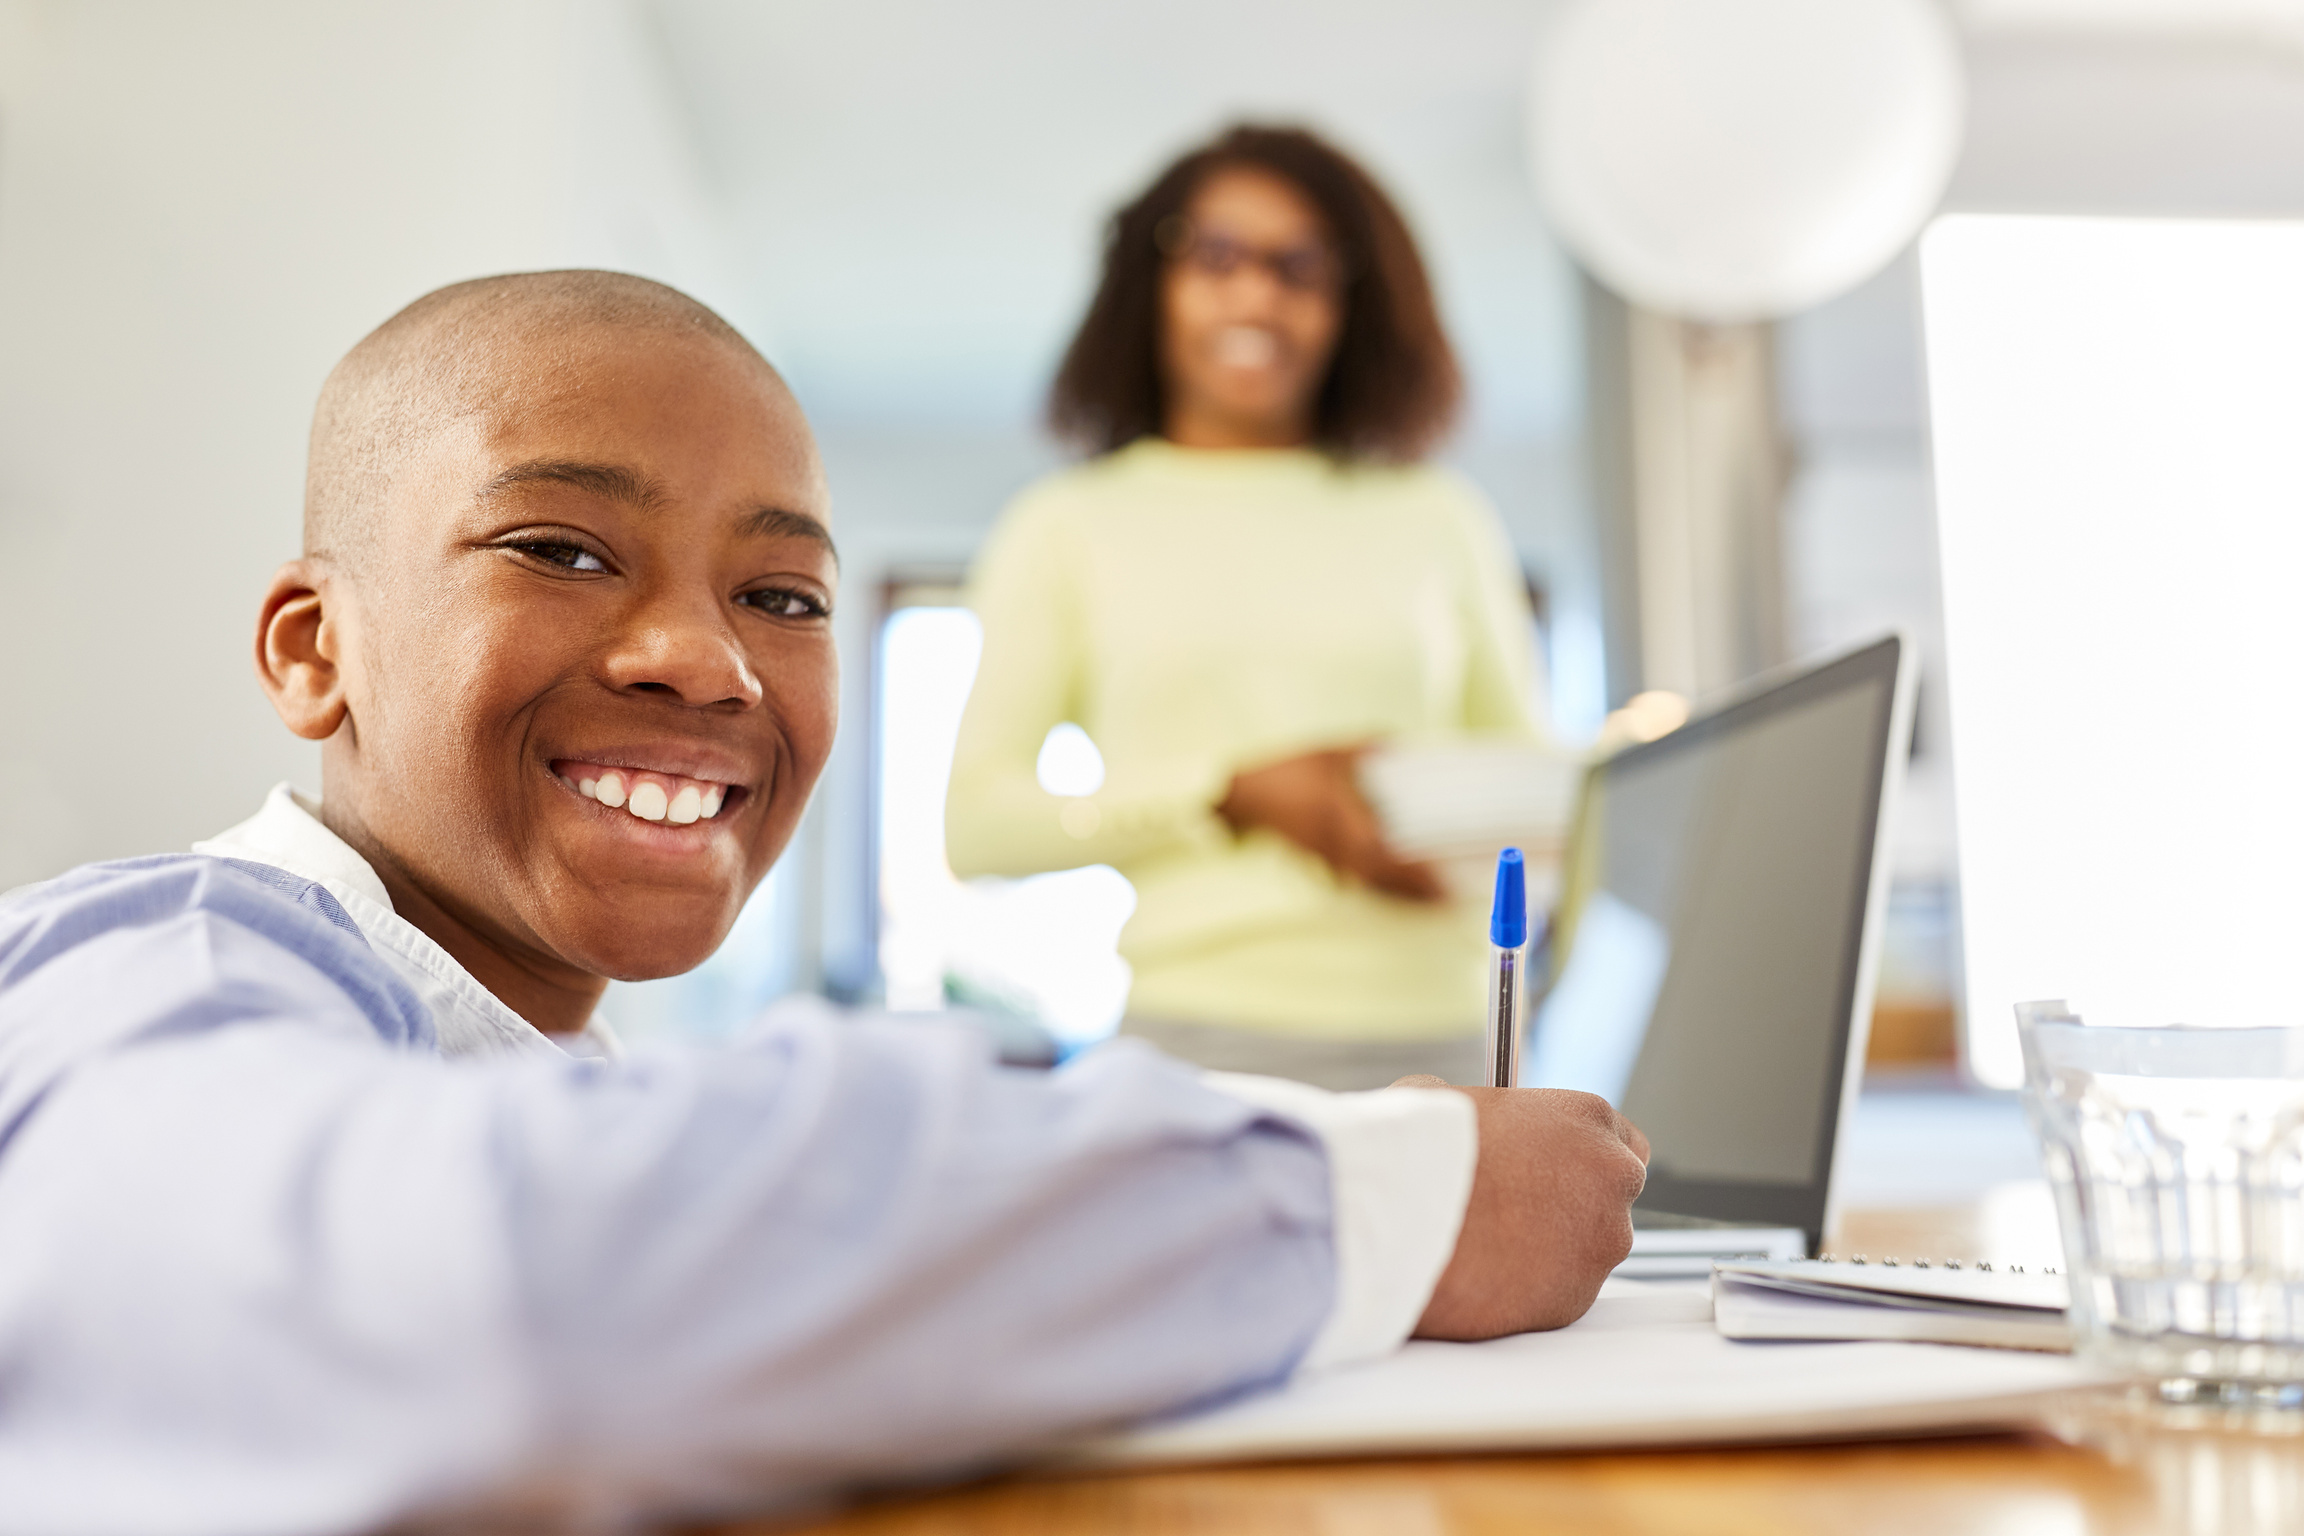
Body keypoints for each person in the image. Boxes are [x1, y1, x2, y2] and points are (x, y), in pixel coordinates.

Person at [0, 271, 1646, 1531]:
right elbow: (483, 1292)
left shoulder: (540, 1057)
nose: (705, 659)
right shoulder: (166, 953)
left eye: (778, 594)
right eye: (563, 550)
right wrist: (1381, 1195)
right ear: (313, 647)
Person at [946, 125, 1553, 1090]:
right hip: (1199, 1050)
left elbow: (1531, 794)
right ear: (1154, 281)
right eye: (1215, 255)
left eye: (1297, 266)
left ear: (1350, 303)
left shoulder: (1440, 517)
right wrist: (1226, 797)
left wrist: (1434, 831)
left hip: (1449, 1049)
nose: (1256, 294)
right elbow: (977, 827)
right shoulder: (1066, 526)